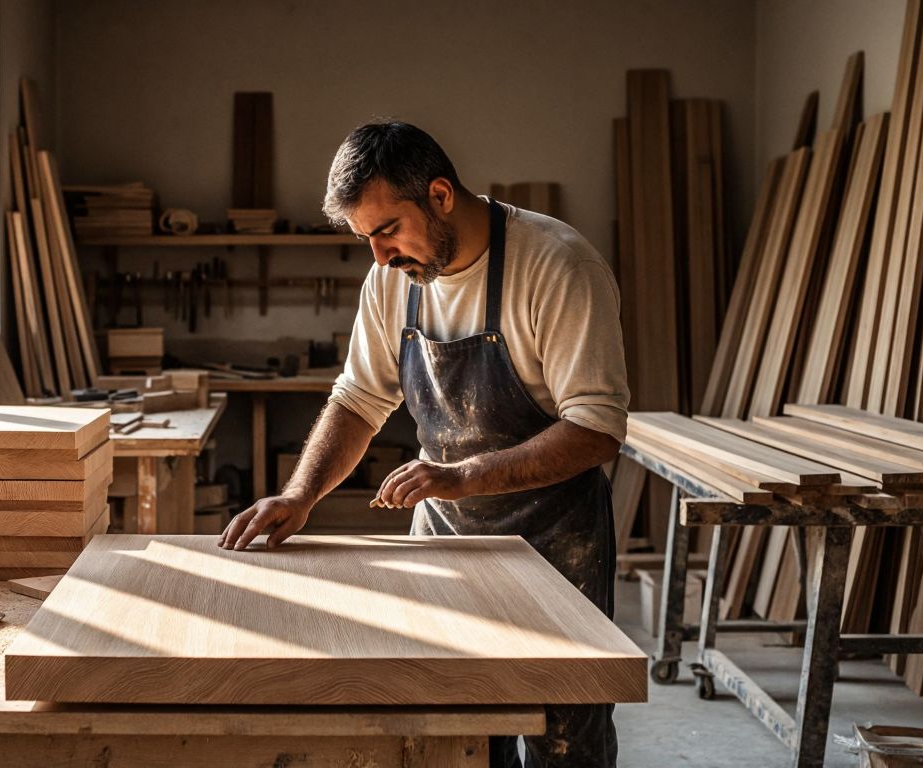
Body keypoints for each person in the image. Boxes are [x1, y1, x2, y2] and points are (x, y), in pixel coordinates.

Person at [219, 120, 629, 767]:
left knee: (563, 739)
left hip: (558, 548)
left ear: (440, 196)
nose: (378, 256)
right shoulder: (391, 282)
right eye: (365, 240)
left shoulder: (555, 264)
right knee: (456, 735)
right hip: (447, 547)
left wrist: (465, 476)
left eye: (386, 231)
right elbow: (357, 400)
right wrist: (302, 495)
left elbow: (597, 428)